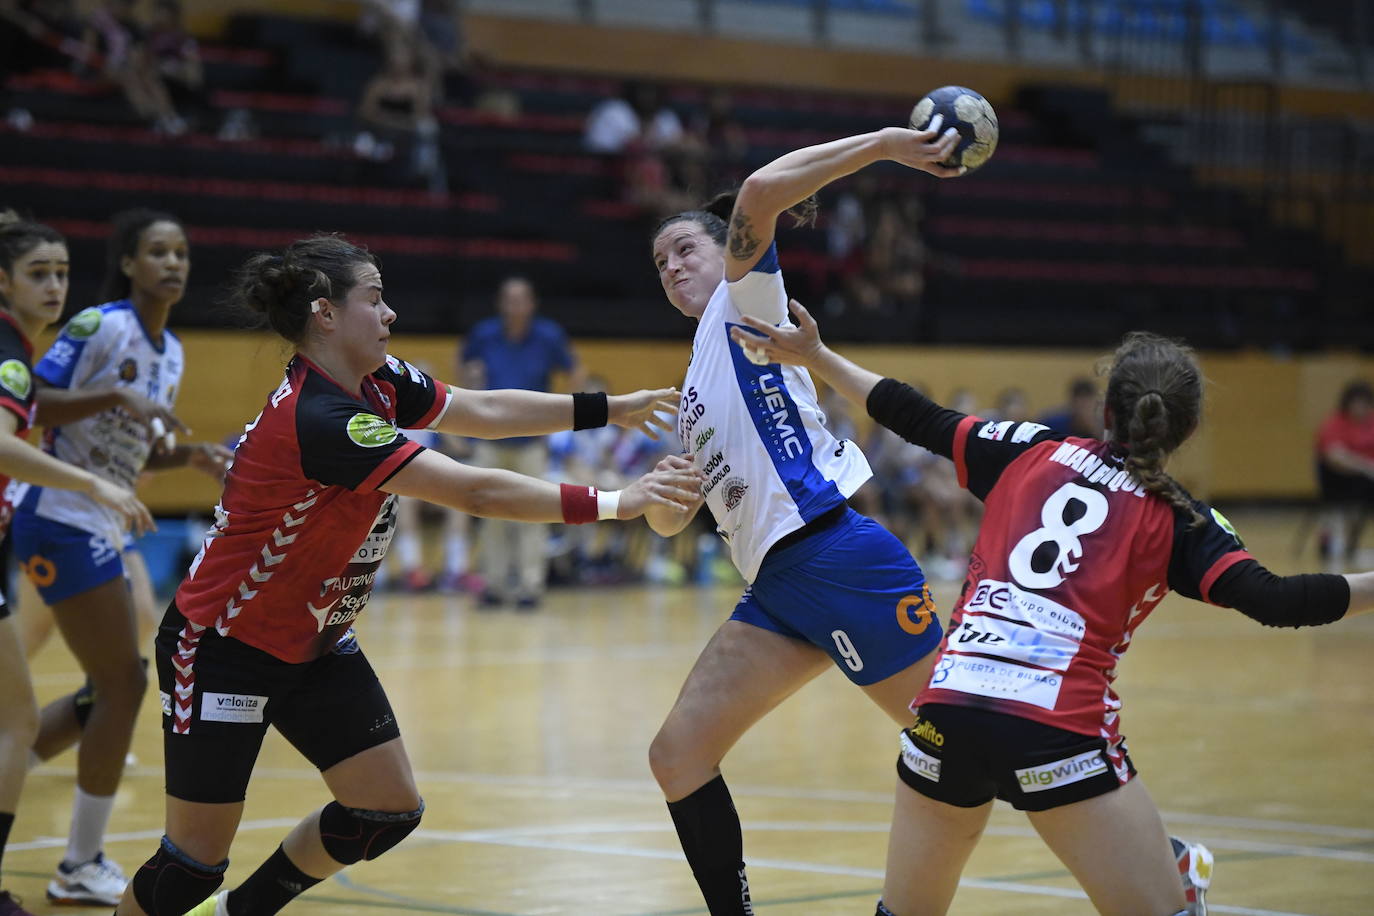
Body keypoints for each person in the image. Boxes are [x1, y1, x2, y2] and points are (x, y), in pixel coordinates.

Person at [108, 233, 696, 916]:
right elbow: (476, 493)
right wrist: (620, 501)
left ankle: (245, 912)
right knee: (190, 868)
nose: (390, 314)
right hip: (224, 650)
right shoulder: (324, 417)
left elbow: (482, 410)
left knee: (382, 811)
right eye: (375, 299)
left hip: (316, 641)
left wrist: (606, 409)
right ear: (325, 314)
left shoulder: (379, 382)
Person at [735, 310, 1374, 916]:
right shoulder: (1181, 519)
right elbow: (1281, 601)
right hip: (1056, 732)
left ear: (1104, 410)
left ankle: (1167, 867)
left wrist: (816, 355)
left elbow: (913, 414)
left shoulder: (1028, 450)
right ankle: (1172, 875)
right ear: (1187, 430)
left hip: (947, 712)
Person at [644, 119, 964, 915]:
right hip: (779, 587)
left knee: (965, 748)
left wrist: (888, 142)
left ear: (727, 254)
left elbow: (760, 193)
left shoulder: (742, 302)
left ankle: (1157, 864)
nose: (672, 266)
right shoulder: (693, 383)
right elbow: (669, 529)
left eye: (685, 248)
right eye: (660, 262)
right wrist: (663, 498)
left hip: (838, 557)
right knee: (679, 755)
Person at [10, 209, 231, 907]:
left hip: (101, 517)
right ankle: (80, 863)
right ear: (128, 264)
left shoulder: (174, 351)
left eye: (182, 253)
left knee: (102, 690)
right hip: (57, 513)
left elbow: (131, 445)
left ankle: (11, 767)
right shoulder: (98, 326)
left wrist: (189, 455)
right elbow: (31, 402)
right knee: (123, 685)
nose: (174, 263)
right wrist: (115, 393)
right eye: (157, 252)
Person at [0, 211, 152, 916]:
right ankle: (78, 863)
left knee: (27, 715)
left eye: (62, 272)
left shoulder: (21, 351)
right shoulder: (12, 351)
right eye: (38, 273)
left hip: (35, 532)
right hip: (58, 524)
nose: (55, 285)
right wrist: (93, 484)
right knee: (25, 718)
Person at [461, 276, 583, 609]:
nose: (515, 306)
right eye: (509, 300)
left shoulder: (548, 336)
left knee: (534, 512)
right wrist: (472, 386)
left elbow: (575, 371)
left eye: (521, 299)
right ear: (501, 304)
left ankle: (531, 587)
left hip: (532, 442)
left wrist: (561, 414)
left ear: (532, 304)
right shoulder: (484, 335)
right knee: (489, 512)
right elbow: (465, 370)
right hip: (489, 438)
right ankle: (494, 585)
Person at [1314, 380, 1374, 571]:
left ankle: (1352, 544)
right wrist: (1365, 466)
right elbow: (1335, 456)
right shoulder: (1334, 424)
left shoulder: (1370, 422)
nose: (1360, 409)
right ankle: (1336, 541)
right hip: (1339, 481)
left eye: (1365, 404)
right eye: (1356, 404)